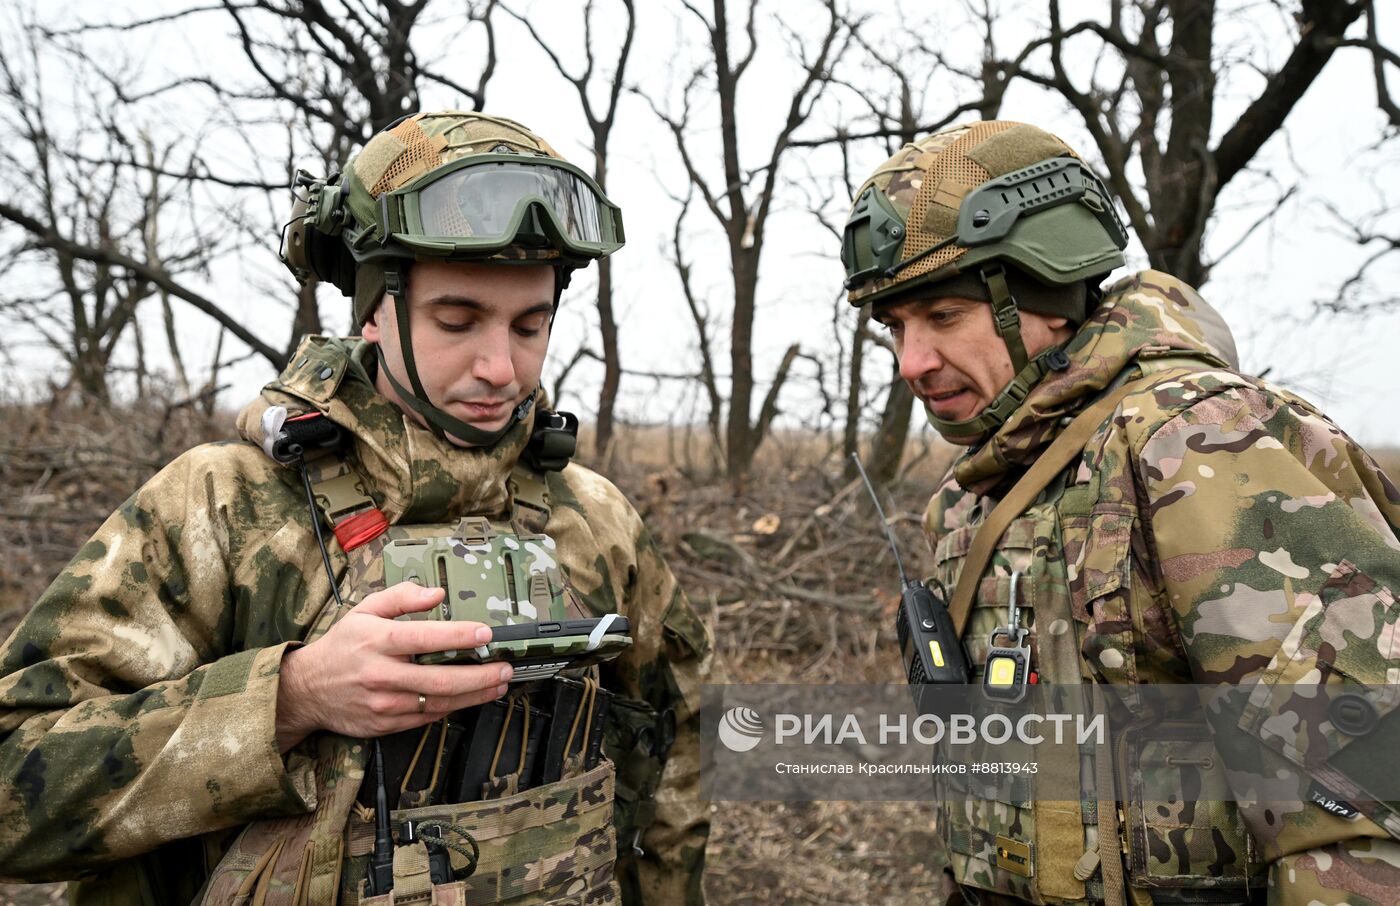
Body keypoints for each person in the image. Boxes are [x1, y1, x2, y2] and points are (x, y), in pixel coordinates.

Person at [0, 111, 713, 905]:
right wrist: (288, 699)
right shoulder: (223, 507)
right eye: (457, 320)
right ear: (373, 310)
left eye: (530, 324)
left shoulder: (599, 521)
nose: (499, 367)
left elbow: (668, 784)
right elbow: (13, 790)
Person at [840, 120, 1400, 905]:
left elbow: (1358, 814)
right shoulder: (972, 498)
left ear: (1042, 295)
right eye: (894, 328)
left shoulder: (1206, 443)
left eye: (942, 316)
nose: (912, 363)